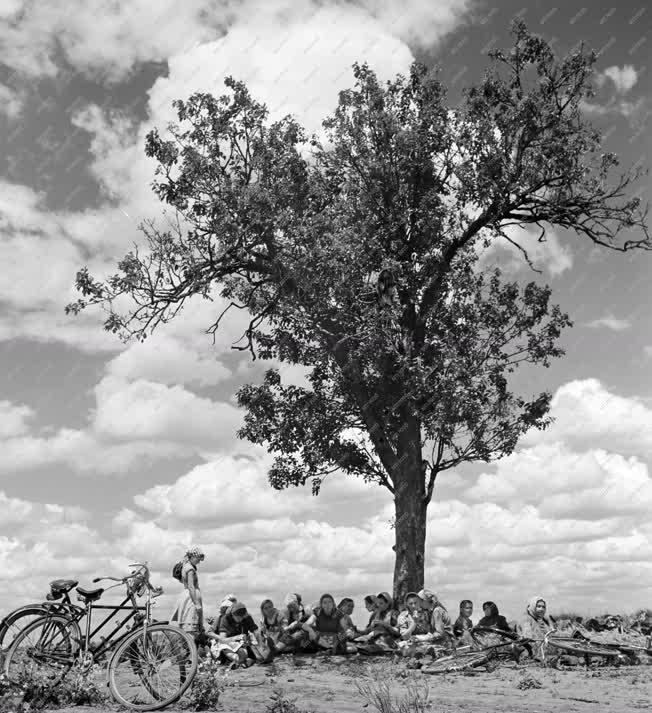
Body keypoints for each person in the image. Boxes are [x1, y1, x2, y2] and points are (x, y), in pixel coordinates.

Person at [170, 547, 205, 639]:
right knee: (191, 630)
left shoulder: (186, 567)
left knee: (189, 630)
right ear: (193, 557)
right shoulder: (189, 569)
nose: (199, 562)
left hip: (188, 596)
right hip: (191, 598)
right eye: (198, 559)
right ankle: (192, 651)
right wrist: (196, 603)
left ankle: (190, 650)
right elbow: (191, 586)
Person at [397, 592, 438, 658]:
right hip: (411, 643)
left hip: (426, 640)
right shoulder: (403, 616)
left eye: (415, 603)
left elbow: (434, 631)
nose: (413, 606)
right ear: (407, 604)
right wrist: (414, 622)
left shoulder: (427, 613)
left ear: (419, 602)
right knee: (403, 646)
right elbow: (405, 636)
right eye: (410, 604)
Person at [517, 596, 556, 661]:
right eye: (538, 606)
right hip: (531, 654)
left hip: (542, 652)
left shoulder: (541, 620)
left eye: (543, 607)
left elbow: (550, 636)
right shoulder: (526, 619)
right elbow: (529, 641)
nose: (541, 609)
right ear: (532, 606)